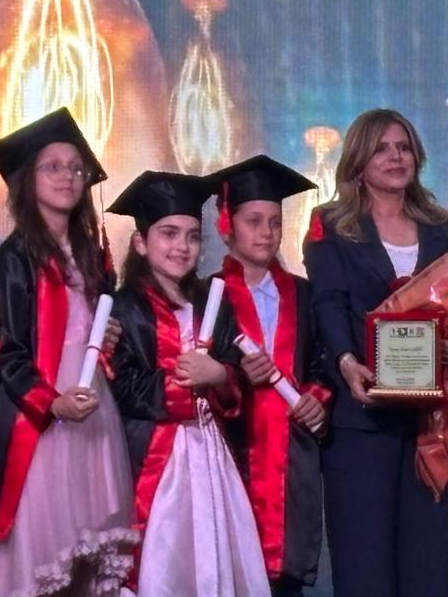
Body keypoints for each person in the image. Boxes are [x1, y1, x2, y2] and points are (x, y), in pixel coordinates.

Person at [0, 108, 137, 597]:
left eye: (76, 167)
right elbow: (9, 352)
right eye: (53, 167)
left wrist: (107, 342)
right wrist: (52, 402)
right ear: (28, 179)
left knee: (86, 557)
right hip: (40, 419)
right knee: (42, 557)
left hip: (92, 412)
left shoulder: (92, 256)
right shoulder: (14, 259)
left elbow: (89, 332)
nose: (68, 176)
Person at [304, 108, 448, 597]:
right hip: (361, 415)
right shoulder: (330, 224)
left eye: (403, 146)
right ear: (359, 160)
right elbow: (328, 301)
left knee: (427, 563)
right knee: (363, 562)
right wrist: (345, 361)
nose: (396, 157)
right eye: (381, 148)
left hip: (427, 420)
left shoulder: (441, 227)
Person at [107, 169, 270, 597]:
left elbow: (234, 369)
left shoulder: (214, 302)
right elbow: (120, 386)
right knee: (165, 560)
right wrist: (182, 383)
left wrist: (220, 375)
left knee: (216, 553)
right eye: (168, 234)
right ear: (140, 242)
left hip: (212, 453)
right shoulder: (124, 308)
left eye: (192, 236)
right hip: (154, 457)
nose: (182, 246)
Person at [210, 155, 333, 596]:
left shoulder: (304, 293)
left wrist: (317, 397)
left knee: (286, 581)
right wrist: (236, 374)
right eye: (254, 221)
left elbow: (322, 360)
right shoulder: (207, 296)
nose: (266, 232)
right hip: (232, 451)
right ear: (227, 225)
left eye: (275, 222)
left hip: (292, 454)